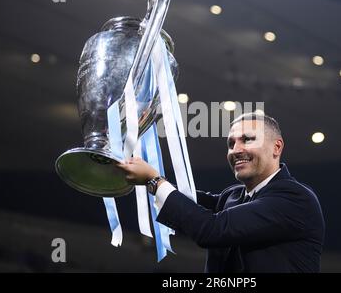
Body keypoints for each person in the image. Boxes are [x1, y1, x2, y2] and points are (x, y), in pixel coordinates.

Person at [117, 113, 325, 272]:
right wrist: (137, 165)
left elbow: (212, 229)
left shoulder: (295, 199)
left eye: (247, 140)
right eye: (231, 143)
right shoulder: (233, 195)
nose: (236, 150)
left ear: (276, 147)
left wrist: (154, 180)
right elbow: (187, 202)